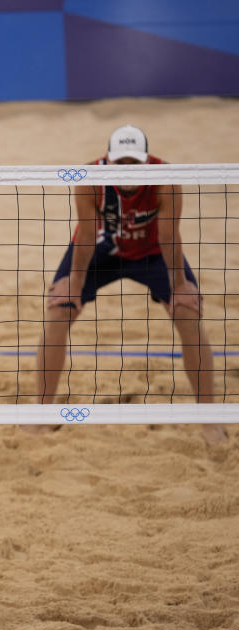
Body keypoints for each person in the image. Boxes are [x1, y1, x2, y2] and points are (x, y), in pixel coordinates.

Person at [30, 125, 226, 445]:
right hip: (100, 250)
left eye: (134, 163)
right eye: (120, 163)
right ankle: (40, 415)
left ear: (146, 161)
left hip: (152, 252)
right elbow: (87, 235)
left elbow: (168, 237)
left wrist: (178, 286)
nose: (127, 170)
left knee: (188, 312)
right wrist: (75, 286)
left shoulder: (165, 178)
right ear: (108, 161)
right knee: (58, 310)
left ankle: (210, 419)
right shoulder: (89, 179)